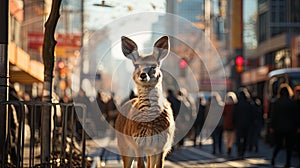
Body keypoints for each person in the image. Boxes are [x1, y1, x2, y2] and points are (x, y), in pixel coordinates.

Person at [270, 84, 299, 168]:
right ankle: (288, 162)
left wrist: (272, 126)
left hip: (279, 127)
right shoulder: (292, 103)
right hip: (291, 127)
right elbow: (296, 116)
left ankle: (273, 158)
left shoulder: (276, 102)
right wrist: (297, 126)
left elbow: (273, 115)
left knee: (278, 145)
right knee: (289, 146)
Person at [233, 88, 255, 158]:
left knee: (239, 138)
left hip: (238, 124)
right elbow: (252, 114)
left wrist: (234, 123)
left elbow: (234, 115)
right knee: (245, 138)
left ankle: (239, 151)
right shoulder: (249, 104)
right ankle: (243, 151)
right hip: (247, 124)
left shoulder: (237, 104)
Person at [222, 92, 237, 156]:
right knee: (232, 137)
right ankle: (230, 146)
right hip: (233, 124)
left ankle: (228, 148)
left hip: (226, 124)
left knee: (227, 137)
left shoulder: (225, 106)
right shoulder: (235, 106)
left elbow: (223, 114)